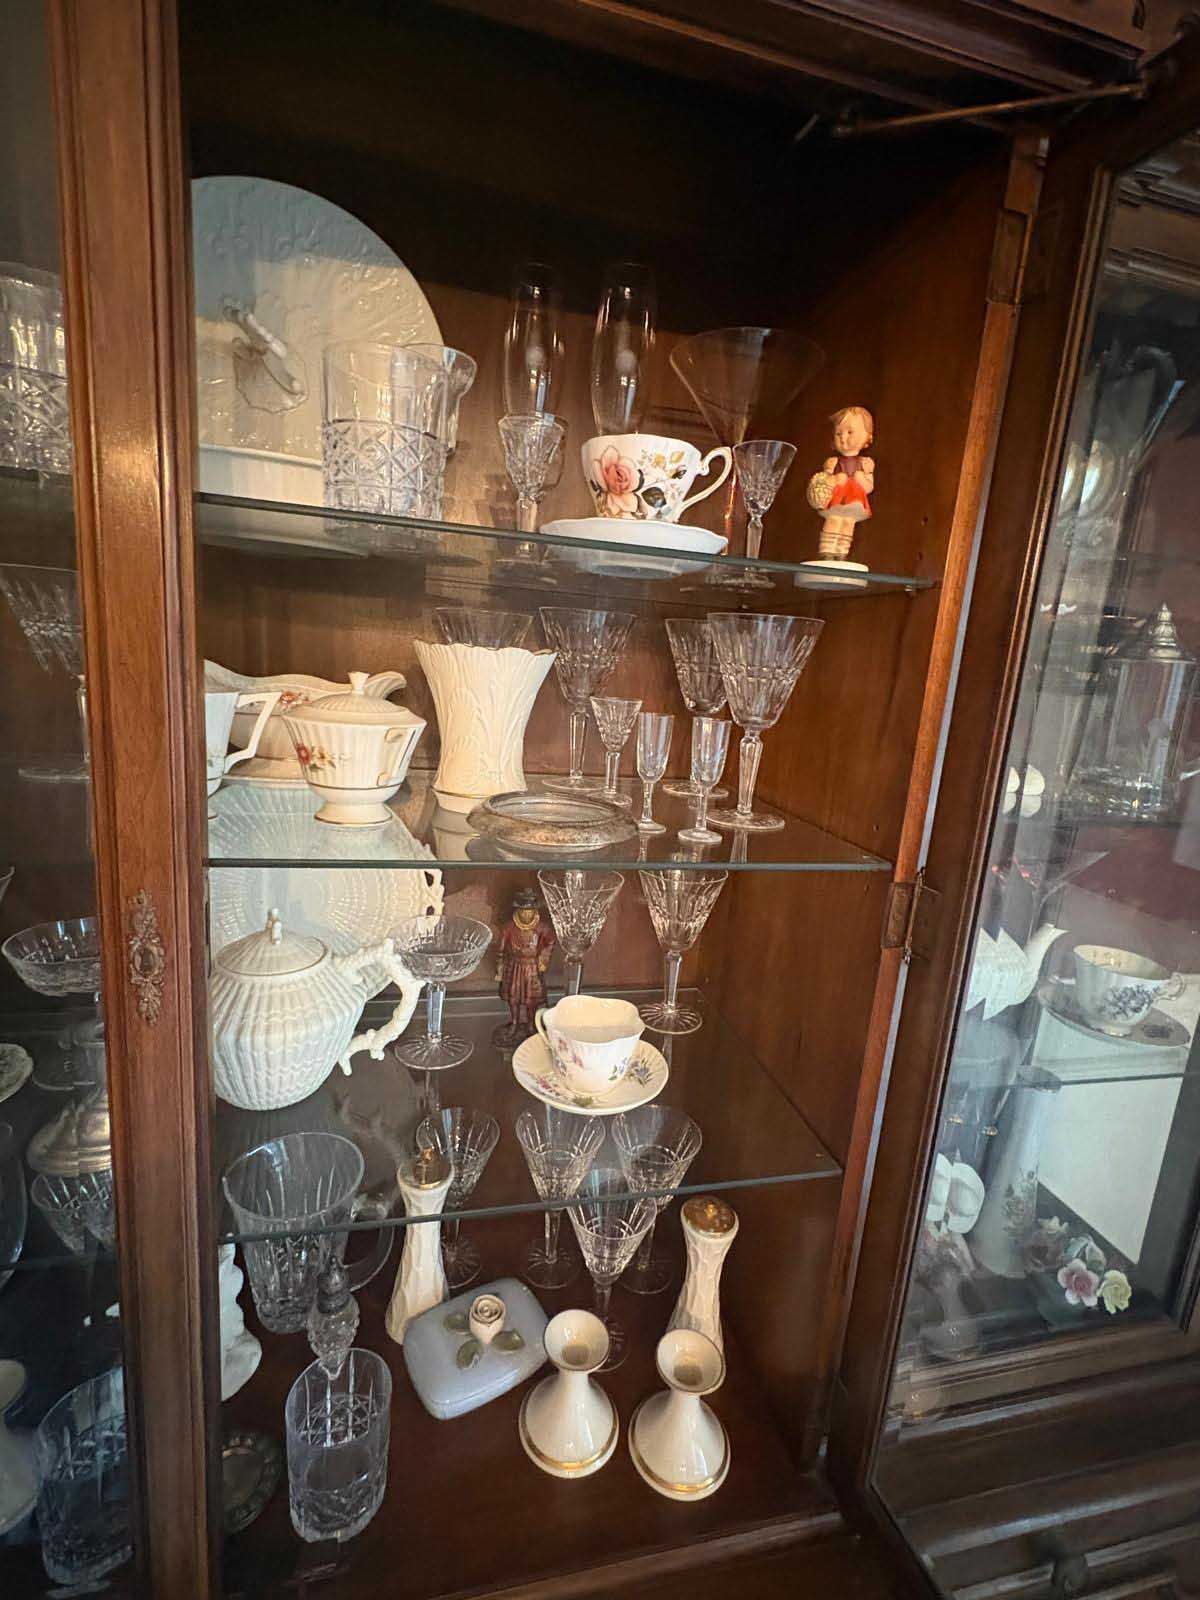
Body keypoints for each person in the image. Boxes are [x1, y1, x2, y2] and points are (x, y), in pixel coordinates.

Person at [807, 404, 875, 562]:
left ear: (868, 437)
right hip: (838, 498)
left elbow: (869, 487)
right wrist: (834, 479)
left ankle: (841, 554)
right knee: (833, 520)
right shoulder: (832, 462)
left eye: (850, 432)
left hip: (854, 499)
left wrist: (861, 478)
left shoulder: (866, 463)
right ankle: (827, 551)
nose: (843, 438)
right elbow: (824, 481)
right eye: (838, 433)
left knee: (848, 524)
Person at [494, 887, 554, 1047]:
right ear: (518, 910)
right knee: (514, 997)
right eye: (523, 910)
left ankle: (530, 1024)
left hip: (532, 967)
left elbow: (549, 943)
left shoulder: (542, 927)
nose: (526, 914)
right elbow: (500, 950)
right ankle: (514, 1023)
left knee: (531, 999)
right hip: (514, 966)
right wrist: (500, 970)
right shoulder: (509, 928)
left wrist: (543, 959)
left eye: (530, 910)